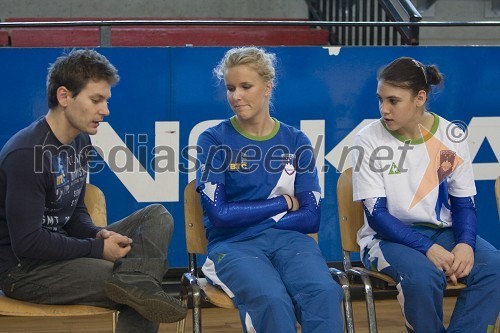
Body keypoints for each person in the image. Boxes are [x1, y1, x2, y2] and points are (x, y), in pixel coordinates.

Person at [0, 49, 187, 333]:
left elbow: (73, 210)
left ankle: (138, 281)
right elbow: (27, 243)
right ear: (64, 97)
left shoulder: (81, 141)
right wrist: (98, 248)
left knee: (157, 217)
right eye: (96, 100)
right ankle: (138, 283)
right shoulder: (27, 153)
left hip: (62, 253)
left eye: (106, 101)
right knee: (133, 288)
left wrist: (96, 233)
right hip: (24, 271)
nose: (106, 110)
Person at [196, 46, 344, 333]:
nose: (236, 96)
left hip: (291, 243)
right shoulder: (212, 139)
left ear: (267, 86)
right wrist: (283, 203)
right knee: (272, 300)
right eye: (230, 88)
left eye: (245, 86)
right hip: (233, 245)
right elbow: (220, 216)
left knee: (325, 294)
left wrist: (259, 215)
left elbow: (311, 217)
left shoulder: (296, 139)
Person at [352, 56, 500, 333]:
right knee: (422, 276)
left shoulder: (451, 136)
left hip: (443, 232)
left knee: (495, 269)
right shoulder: (368, 139)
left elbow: (463, 202)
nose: (384, 109)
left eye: (393, 101)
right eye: (380, 99)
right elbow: (376, 216)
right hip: (385, 238)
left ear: (420, 97)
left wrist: (466, 243)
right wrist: (427, 248)